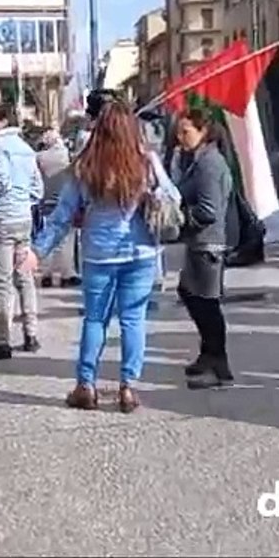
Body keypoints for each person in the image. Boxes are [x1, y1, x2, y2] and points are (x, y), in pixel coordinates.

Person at [23, 100, 179, 413]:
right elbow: (174, 197)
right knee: (134, 320)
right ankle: (128, 388)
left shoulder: (86, 165)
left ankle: (86, 386)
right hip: (140, 252)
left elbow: (62, 215)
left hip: (99, 253)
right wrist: (151, 196)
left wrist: (37, 251)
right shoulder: (145, 162)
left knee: (95, 320)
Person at [0, 103, 44, 361]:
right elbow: (38, 188)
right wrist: (24, 202)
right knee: (24, 277)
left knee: (2, 280)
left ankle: (1, 340)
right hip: (23, 218)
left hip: (1, 219)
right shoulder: (26, 149)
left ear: (2, 122)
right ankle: (31, 334)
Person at [172, 110, 234, 389]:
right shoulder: (198, 160)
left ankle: (218, 364)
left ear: (203, 132)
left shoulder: (209, 164)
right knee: (190, 293)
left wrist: (180, 216)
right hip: (200, 242)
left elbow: (208, 209)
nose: (180, 137)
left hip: (208, 243)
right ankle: (208, 355)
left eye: (186, 132)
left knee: (207, 304)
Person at [35, 129, 79, 288]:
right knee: (66, 240)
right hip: (65, 199)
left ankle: (46, 273)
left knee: (47, 236)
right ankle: (66, 274)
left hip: (46, 200)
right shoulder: (69, 156)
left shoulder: (40, 157)